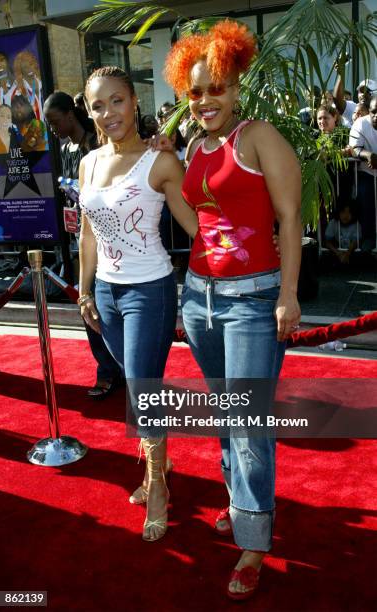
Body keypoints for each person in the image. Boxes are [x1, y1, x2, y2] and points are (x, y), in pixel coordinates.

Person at [162, 20, 301, 600]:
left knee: (247, 423)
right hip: (198, 297)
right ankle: (241, 504)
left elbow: (291, 221)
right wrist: (167, 169)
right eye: (194, 91)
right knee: (228, 417)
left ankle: (253, 540)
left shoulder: (259, 136)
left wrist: (289, 296)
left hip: (252, 300)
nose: (204, 101)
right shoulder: (196, 147)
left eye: (215, 87)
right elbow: (200, 223)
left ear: (237, 84)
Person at [78, 66, 197, 541]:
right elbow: (89, 233)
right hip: (106, 290)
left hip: (150, 289)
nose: (109, 113)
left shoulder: (160, 162)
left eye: (117, 101)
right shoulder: (87, 163)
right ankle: (156, 464)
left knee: (144, 388)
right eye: (98, 105)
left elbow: (196, 224)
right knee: (136, 387)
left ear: (134, 101)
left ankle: (160, 484)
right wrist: (86, 289)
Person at [43, 91, 123, 400]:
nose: (52, 129)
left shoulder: (98, 144)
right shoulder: (66, 149)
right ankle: (106, 369)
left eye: (54, 121)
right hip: (82, 238)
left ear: (70, 115)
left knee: (110, 305)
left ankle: (122, 368)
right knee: (86, 304)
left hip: (109, 239)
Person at [349, 96, 377, 252]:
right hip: (367, 172)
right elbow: (354, 148)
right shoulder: (360, 123)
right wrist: (368, 155)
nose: (376, 116)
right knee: (364, 195)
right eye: (373, 112)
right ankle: (368, 237)